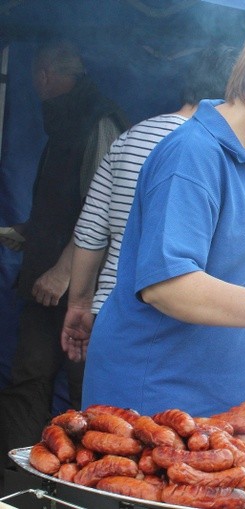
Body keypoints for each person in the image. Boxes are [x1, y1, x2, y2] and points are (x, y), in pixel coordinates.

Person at [80, 11, 245, 417]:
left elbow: (237, 274)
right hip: (156, 404)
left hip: (221, 408)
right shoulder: (193, 154)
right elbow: (167, 285)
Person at [60, 44, 240, 362]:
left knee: (99, 410)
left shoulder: (129, 139)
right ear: (234, 92)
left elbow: (90, 232)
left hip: (111, 315)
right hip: (179, 328)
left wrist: (79, 305)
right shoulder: (217, 151)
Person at [0, 40, 128, 467]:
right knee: (29, 380)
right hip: (47, 283)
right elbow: (63, 203)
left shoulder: (98, 122)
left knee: (84, 395)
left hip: (82, 289)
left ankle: (85, 481)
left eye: (38, 74)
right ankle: (17, 476)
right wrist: (29, 232)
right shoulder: (64, 118)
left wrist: (61, 269)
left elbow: (104, 210)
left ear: (46, 76)